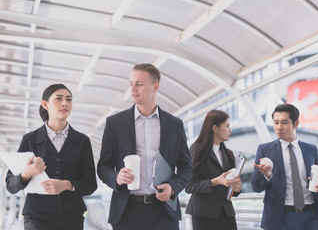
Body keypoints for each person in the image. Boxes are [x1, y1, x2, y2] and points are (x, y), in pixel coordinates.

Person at [97, 63, 193, 230]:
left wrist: (172, 186)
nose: (133, 89)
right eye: (131, 84)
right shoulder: (115, 123)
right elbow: (103, 167)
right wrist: (116, 178)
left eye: (139, 84)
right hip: (127, 212)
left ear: (155, 87)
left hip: (164, 211)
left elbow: (186, 168)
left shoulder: (174, 125)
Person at [6, 83, 97, 230]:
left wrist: (67, 185)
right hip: (37, 217)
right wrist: (26, 174)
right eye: (59, 99)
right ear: (45, 104)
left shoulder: (82, 141)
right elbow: (10, 185)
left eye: (69, 99)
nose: (64, 103)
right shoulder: (30, 139)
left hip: (71, 217)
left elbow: (90, 184)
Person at [251, 103, 318, 230]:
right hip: (281, 217)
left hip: (312, 216)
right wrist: (266, 175)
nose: (279, 127)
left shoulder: (311, 149)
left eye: (284, 122)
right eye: (276, 122)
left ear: (296, 123)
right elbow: (256, 186)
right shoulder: (265, 150)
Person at [185, 110, 242, 230]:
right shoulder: (197, 150)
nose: (230, 130)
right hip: (203, 214)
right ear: (215, 128)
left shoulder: (228, 154)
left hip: (227, 213)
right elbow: (189, 186)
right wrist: (215, 181)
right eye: (227, 126)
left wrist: (236, 188)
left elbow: (231, 190)